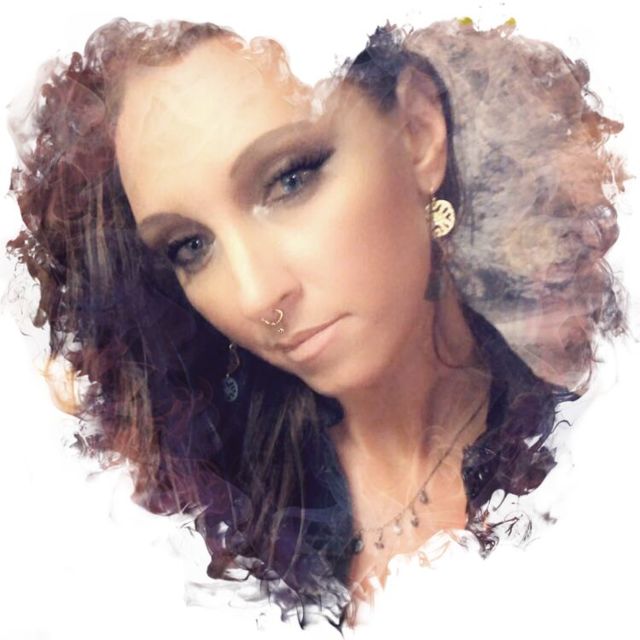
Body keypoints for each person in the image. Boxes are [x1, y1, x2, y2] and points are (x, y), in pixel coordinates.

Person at [5, 16, 627, 628]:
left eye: (290, 179)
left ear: (416, 132)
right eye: (190, 246)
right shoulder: (198, 529)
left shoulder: (596, 466)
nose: (255, 295)